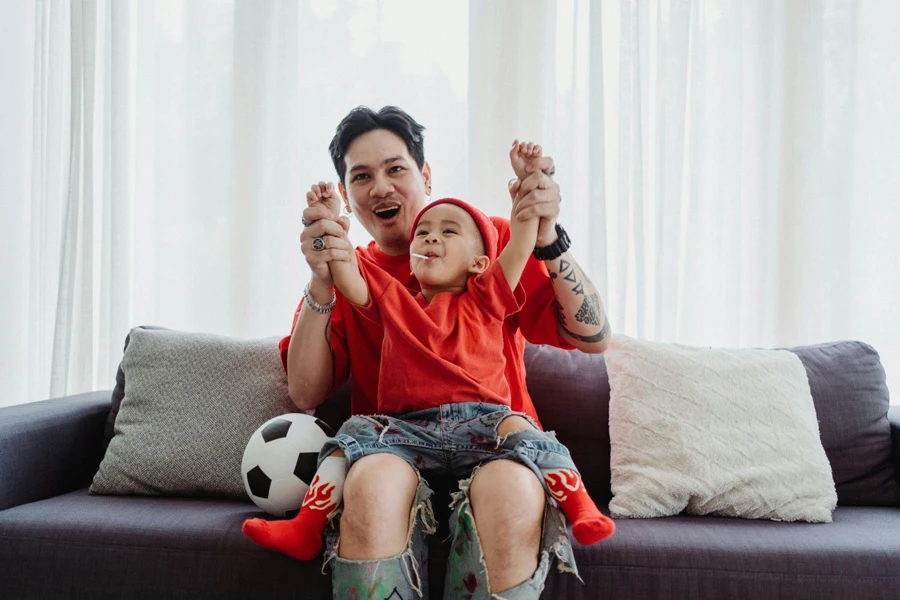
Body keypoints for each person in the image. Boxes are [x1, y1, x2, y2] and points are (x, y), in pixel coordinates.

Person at [256, 107, 612, 599]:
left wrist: (545, 233)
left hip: (493, 445)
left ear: (424, 174)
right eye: (362, 176)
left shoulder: (485, 243)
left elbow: (592, 336)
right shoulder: (354, 272)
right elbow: (305, 391)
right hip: (396, 446)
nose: (380, 186)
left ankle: (578, 502)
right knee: (372, 482)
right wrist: (322, 278)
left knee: (510, 489)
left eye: (395, 168)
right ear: (347, 197)